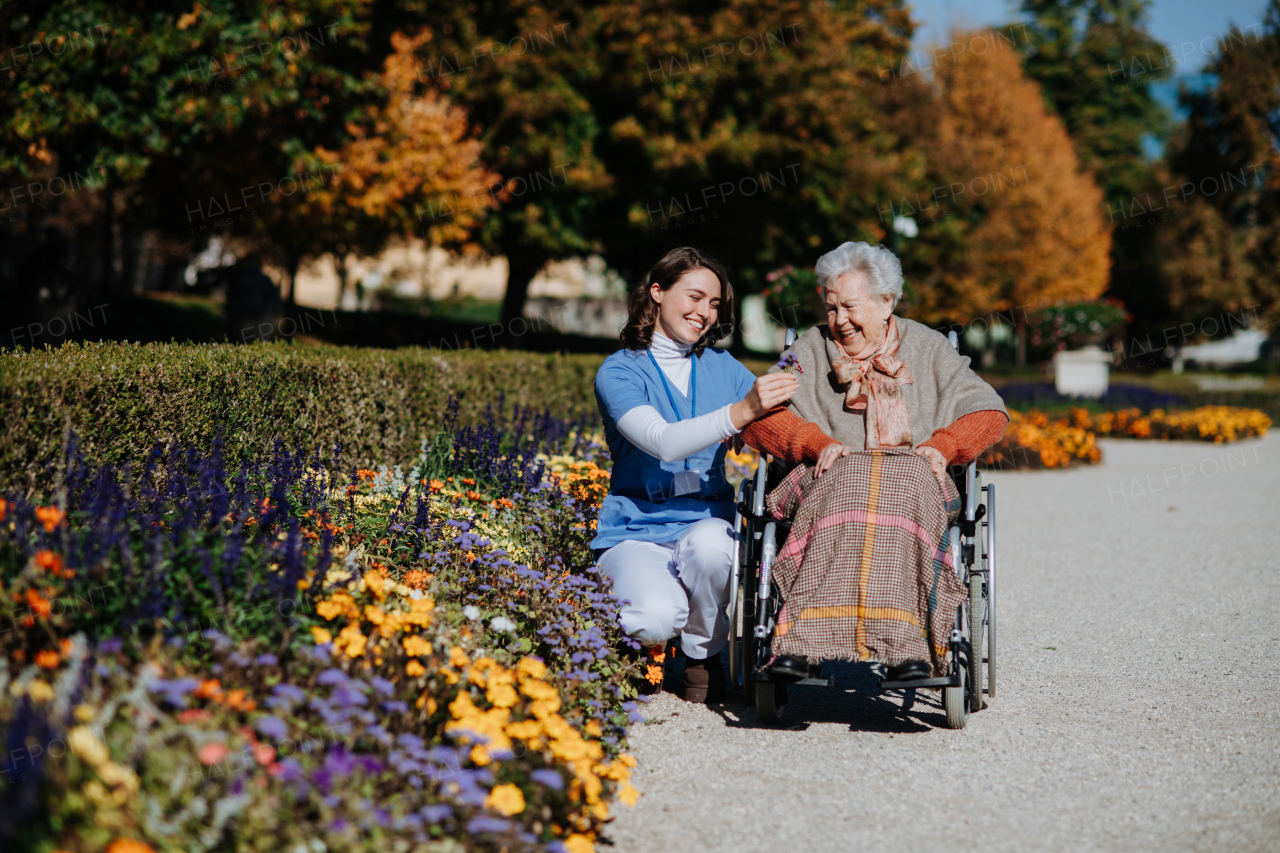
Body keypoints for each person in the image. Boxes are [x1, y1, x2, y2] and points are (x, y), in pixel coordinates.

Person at [740, 241, 1008, 682]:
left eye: (849, 306)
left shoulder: (930, 348)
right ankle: (801, 642)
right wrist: (811, 441)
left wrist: (943, 446)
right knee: (852, 478)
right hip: (829, 476)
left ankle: (908, 647)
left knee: (897, 481)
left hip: (915, 480)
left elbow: (989, 411)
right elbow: (759, 412)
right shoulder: (805, 350)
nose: (838, 320)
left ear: (888, 302)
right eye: (830, 308)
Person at [592, 247, 798, 703]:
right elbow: (662, 440)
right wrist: (741, 413)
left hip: (706, 522)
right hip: (635, 531)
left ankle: (703, 656)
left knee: (712, 547)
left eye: (714, 304)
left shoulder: (723, 369)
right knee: (653, 618)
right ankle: (655, 635)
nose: (704, 312)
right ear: (657, 292)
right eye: (695, 297)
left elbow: (778, 418)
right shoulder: (620, 370)